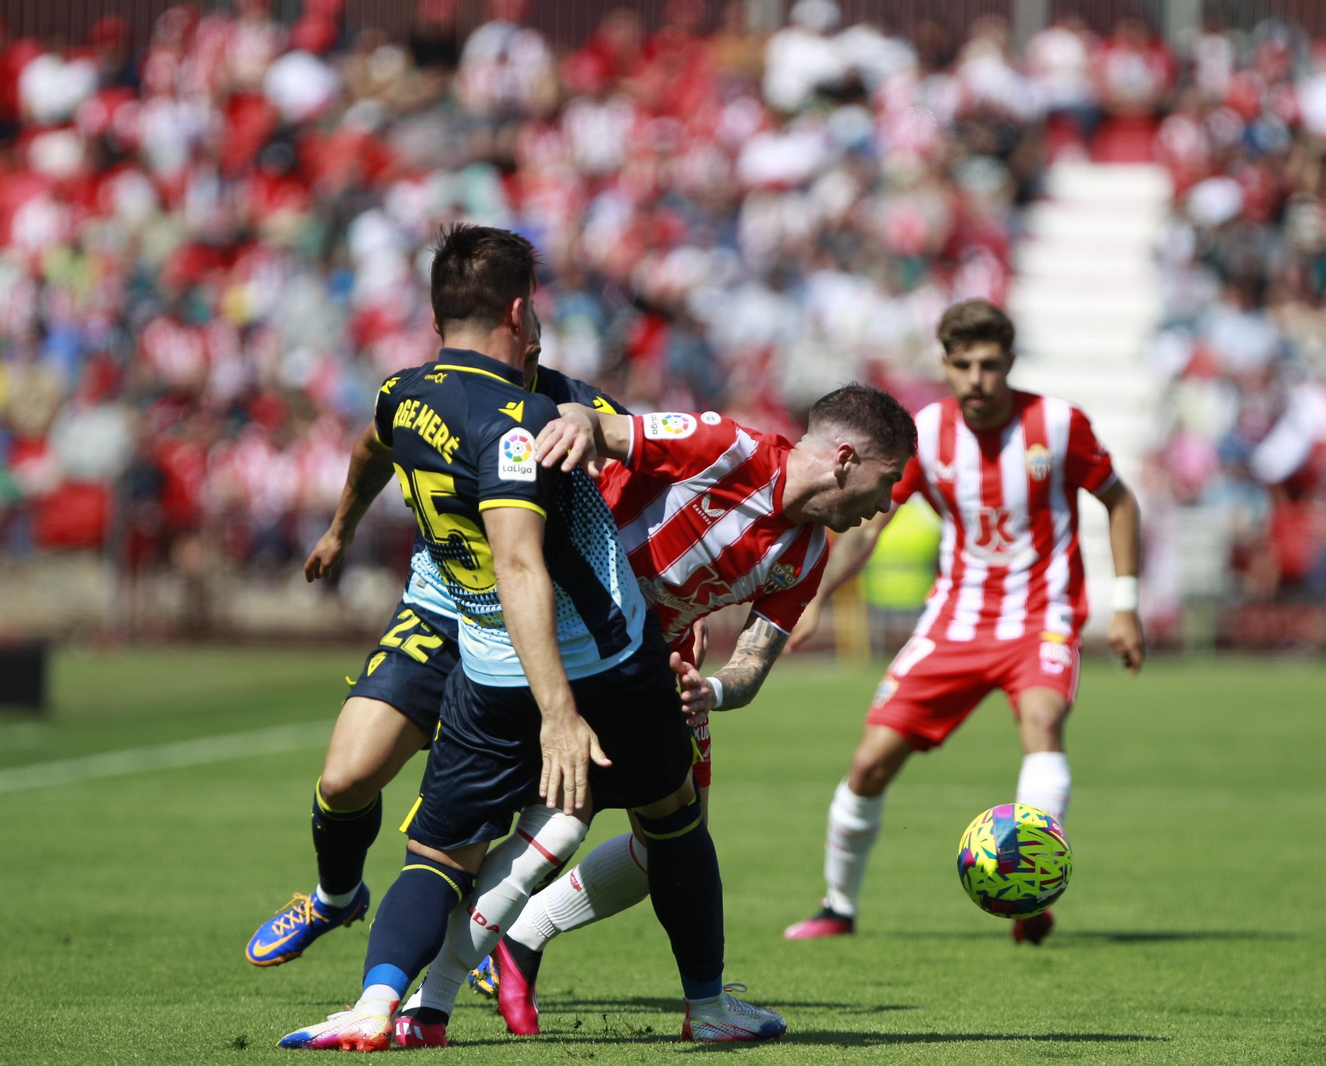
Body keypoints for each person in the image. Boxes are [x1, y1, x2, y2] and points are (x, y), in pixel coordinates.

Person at [277, 224, 781, 1049]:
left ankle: (380, 1009)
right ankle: (709, 1008)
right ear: (519, 311)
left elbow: (374, 443)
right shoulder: (522, 422)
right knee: (673, 818)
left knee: (437, 853)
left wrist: (339, 530)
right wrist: (559, 710)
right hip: (603, 664)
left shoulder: (402, 394)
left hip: (485, 668)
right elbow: (521, 565)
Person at [402, 383, 917, 1037]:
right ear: (845, 461)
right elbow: (589, 422)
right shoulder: (727, 449)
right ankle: (426, 993)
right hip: (566, 634)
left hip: (656, 668)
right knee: (561, 822)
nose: (888, 501)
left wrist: (717, 690)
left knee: (672, 843)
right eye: (889, 478)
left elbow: (753, 664)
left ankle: (514, 942)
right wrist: (558, 464)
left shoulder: (806, 554)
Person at [245, 296, 629, 975]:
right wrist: (342, 528)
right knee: (343, 779)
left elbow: (636, 511)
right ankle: (335, 897)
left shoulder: (575, 408)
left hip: (526, 634)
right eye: (528, 317)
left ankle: (473, 938)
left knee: (486, 827)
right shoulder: (423, 393)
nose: (534, 332)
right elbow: (372, 445)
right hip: (437, 608)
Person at [782, 299, 1146, 946]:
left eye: (990, 365)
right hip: (955, 621)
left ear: (1009, 364)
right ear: (945, 366)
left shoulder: (1059, 425)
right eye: (963, 365)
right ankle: (837, 906)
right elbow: (869, 528)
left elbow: (1119, 501)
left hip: (1043, 617)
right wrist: (815, 597)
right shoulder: (926, 434)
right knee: (869, 763)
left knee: (1043, 721)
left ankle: (1030, 886)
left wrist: (1125, 603)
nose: (977, 379)